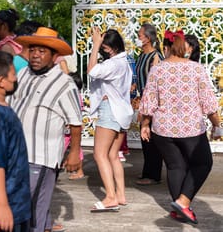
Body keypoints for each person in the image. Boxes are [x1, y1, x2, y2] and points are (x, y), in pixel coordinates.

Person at [139, 30, 220, 225]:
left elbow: (148, 100)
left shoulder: (157, 70)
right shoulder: (195, 68)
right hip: (190, 129)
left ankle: (178, 209)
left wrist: (145, 124)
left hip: (163, 129)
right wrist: (217, 125)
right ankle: (183, 202)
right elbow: (208, 102)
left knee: (175, 166)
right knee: (203, 163)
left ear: (166, 48)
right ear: (183, 48)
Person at [8, 27, 82, 232]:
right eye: (33, 50)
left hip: (40, 157)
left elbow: (75, 121)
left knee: (30, 210)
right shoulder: (22, 74)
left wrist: (74, 152)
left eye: (42, 51)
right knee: (28, 207)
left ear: (54, 56)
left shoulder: (64, 83)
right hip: (15, 154)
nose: (35, 55)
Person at [87, 27, 133, 212]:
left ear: (111, 47)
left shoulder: (113, 64)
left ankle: (110, 197)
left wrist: (95, 45)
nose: (103, 51)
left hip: (111, 110)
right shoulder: (124, 63)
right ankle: (120, 195)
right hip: (122, 112)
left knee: (100, 154)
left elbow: (91, 70)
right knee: (113, 155)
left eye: (105, 47)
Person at [0, 51, 30, 232]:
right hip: (5, 206)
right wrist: (2, 206)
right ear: (1, 81)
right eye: (13, 74)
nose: (16, 79)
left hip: (17, 202)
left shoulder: (3, 109)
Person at [135, 23, 164, 185]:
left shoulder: (156, 56)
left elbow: (157, 83)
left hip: (153, 102)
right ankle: (148, 172)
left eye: (140, 36)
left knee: (151, 140)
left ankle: (153, 175)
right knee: (145, 139)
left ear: (148, 38)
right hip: (143, 100)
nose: (138, 38)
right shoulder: (141, 56)